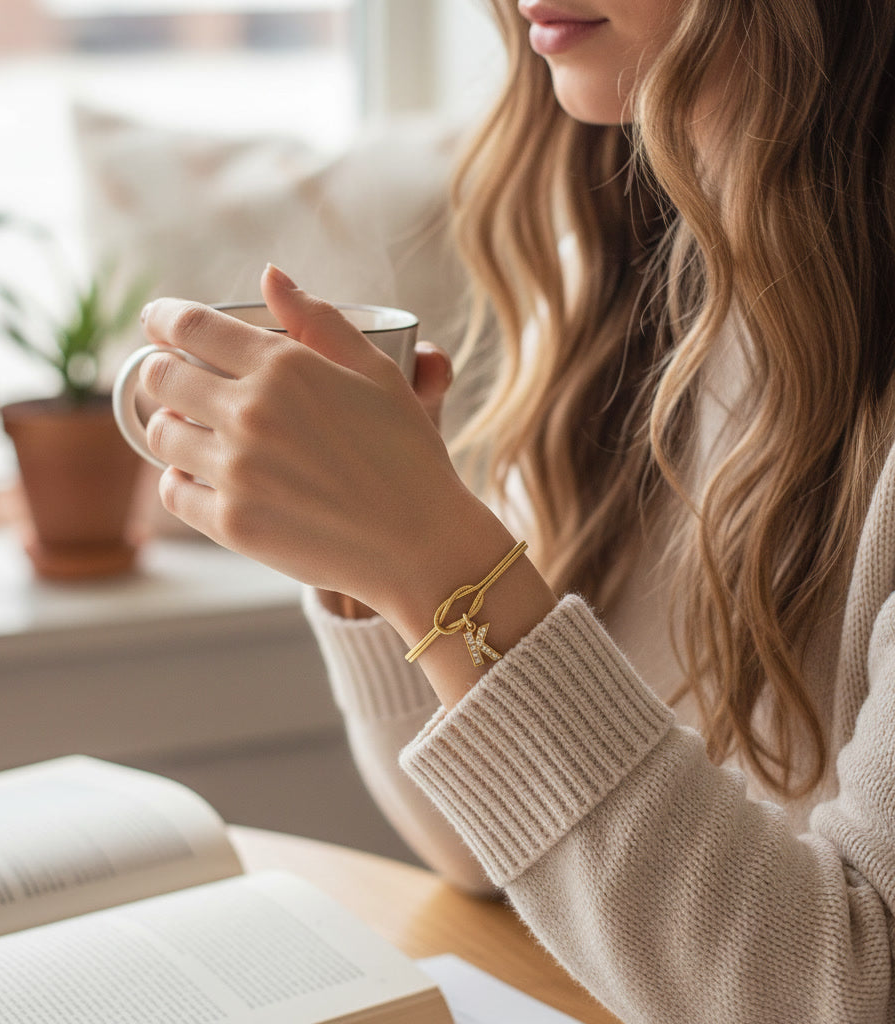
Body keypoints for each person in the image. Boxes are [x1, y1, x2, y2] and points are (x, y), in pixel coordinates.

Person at [134, 1, 895, 1020]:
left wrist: (434, 560)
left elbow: (850, 986)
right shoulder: (635, 284)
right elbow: (485, 852)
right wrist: (369, 566)